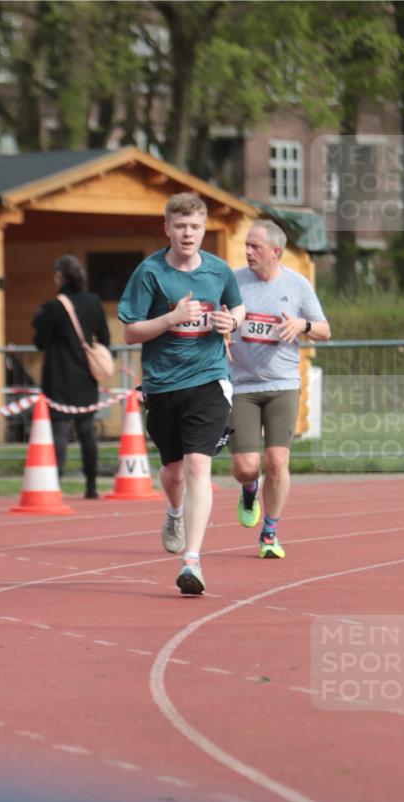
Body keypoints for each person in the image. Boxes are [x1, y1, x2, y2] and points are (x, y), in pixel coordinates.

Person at [118, 192, 244, 596]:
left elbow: (238, 308)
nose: (188, 234)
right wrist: (171, 318)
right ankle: (174, 511)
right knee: (173, 473)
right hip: (163, 385)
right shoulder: (150, 272)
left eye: (195, 227)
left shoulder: (219, 270)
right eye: (180, 226)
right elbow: (130, 332)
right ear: (167, 229)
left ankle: (192, 560)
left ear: (204, 229)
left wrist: (231, 322)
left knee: (197, 467)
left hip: (209, 380)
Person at [229, 220, 331, 558]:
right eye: (246, 245)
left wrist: (302, 324)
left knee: (276, 461)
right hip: (242, 384)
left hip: (283, 384)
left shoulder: (298, 285)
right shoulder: (234, 281)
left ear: (275, 251)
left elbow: (325, 331)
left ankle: (270, 533)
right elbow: (218, 317)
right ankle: (249, 489)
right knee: (245, 466)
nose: (248, 251)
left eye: (255, 246)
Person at [32, 255, 111, 499]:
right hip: (86, 377)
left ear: (59, 276)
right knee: (87, 429)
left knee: (58, 430)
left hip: (57, 376)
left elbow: (40, 342)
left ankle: (55, 483)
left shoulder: (52, 307)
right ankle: (91, 485)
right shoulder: (93, 302)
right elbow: (105, 338)